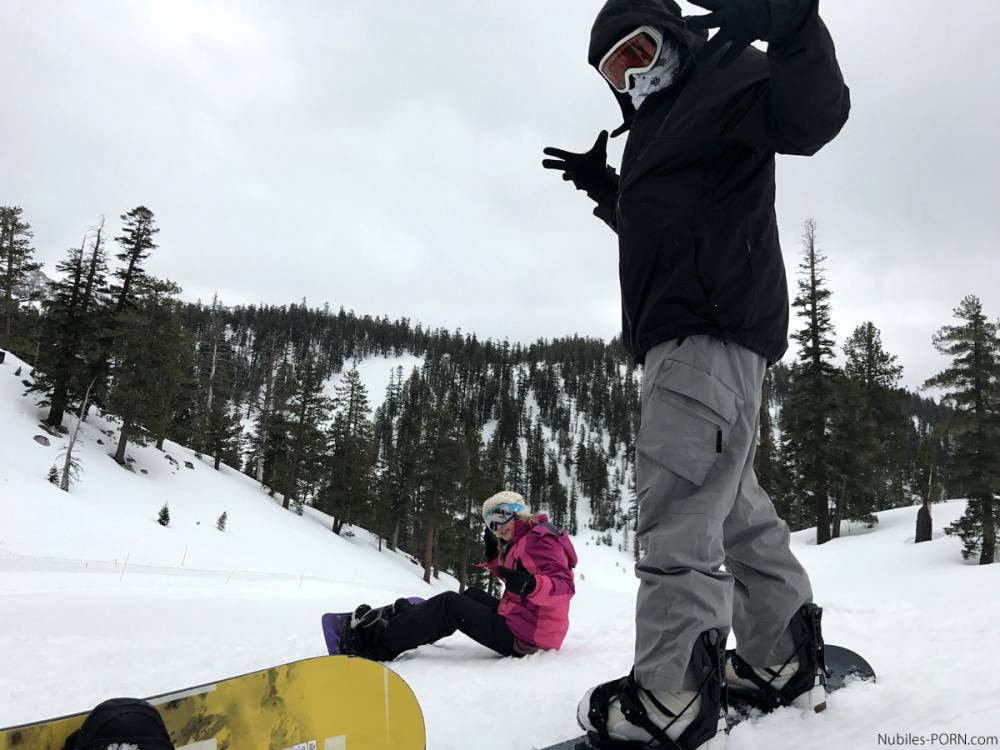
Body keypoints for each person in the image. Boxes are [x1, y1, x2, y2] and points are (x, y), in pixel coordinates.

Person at [542, 0, 850, 747]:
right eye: (614, 66)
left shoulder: (721, 80)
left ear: (675, 38)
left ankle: (670, 698)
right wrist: (608, 193)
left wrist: (795, 24)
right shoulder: (662, 121)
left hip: (701, 339)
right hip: (704, 341)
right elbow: (676, 224)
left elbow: (813, 116)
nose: (630, 73)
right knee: (735, 507)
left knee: (679, 512)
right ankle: (780, 659)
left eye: (638, 50)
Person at [342, 491, 577, 661]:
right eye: (491, 524)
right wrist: (497, 561)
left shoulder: (539, 540)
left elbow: (564, 586)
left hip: (528, 637)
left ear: (518, 512)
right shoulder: (525, 539)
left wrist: (531, 585)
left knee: (449, 604)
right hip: (531, 624)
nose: (498, 528)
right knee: (471, 595)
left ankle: (378, 644)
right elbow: (519, 582)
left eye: (501, 517)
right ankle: (414, 623)